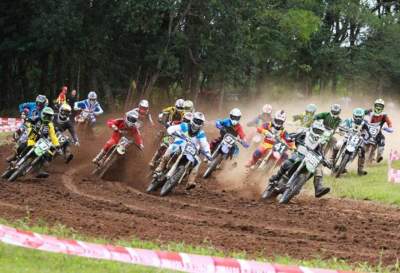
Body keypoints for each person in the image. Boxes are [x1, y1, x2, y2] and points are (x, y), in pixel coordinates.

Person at [269, 120, 331, 198]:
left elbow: (320, 152)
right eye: (316, 130)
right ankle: (277, 177)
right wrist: (289, 138)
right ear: (312, 128)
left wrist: (325, 160)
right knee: (288, 162)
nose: (318, 132)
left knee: (318, 168)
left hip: (309, 160)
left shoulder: (319, 142)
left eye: (320, 131)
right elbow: (292, 136)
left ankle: (318, 188)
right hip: (298, 154)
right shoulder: (304, 132)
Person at [154, 112, 212, 190]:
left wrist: (208, 154)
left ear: (202, 123)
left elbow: (204, 144)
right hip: (179, 144)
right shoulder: (185, 126)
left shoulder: (201, 133)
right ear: (192, 120)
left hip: (191, 151)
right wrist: (172, 131)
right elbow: (173, 128)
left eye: (200, 122)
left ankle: (190, 182)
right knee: (171, 148)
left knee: (198, 162)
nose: (198, 123)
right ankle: (160, 166)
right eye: (196, 121)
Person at [12, 107, 60, 178]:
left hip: (42, 142)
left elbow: (53, 136)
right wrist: (29, 126)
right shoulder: (37, 118)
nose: (48, 118)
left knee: (48, 155)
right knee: (24, 146)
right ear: (43, 114)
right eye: (47, 115)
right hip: (33, 138)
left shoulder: (50, 125)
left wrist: (57, 145)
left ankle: (39, 170)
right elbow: (28, 122)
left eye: (50, 116)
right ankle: (16, 159)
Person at [332, 108, 369, 175]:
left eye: (360, 117)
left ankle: (360, 170)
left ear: (363, 116)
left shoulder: (364, 123)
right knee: (337, 145)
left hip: (357, 140)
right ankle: (332, 159)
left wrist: (365, 136)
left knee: (362, 150)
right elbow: (341, 126)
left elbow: (368, 133)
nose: (358, 118)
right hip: (347, 137)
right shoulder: (348, 120)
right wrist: (341, 129)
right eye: (356, 116)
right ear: (353, 115)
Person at [365, 98, 393, 163]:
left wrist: (390, 128)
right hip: (367, 130)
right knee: (360, 138)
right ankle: (354, 152)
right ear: (374, 105)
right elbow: (361, 113)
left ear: (383, 107)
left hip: (378, 132)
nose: (378, 107)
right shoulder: (370, 111)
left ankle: (379, 156)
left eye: (380, 106)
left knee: (382, 141)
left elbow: (389, 123)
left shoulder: (384, 115)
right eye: (377, 105)